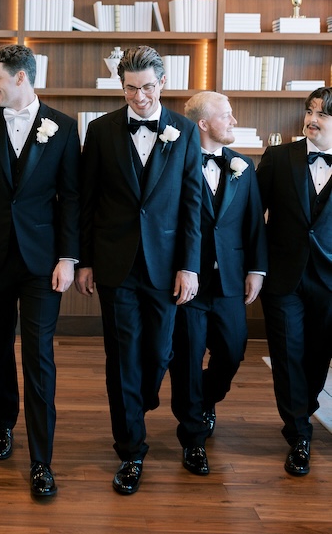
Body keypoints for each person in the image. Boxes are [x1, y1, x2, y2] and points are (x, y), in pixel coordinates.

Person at [75, 44, 201, 496]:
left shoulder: (185, 132)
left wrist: (189, 266)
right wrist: (86, 259)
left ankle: (143, 398)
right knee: (123, 355)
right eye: (130, 89)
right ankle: (130, 449)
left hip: (168, 266)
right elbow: (87, 202)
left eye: (147, 88)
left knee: (160, 353)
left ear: (162, 83)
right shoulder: (102, 129)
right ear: (121, 85)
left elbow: (192, 205)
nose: (140, 98)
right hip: (116, 264)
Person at [0, 44, 80, 498]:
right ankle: (3, 425)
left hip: (43, 262)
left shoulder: (63, 128)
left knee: (39, 356)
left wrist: (68, 258)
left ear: (21, 78)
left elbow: (71, 197)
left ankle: (41, 460)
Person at [169, 91, 267, 476]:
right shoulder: (174, 162)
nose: (233, 121)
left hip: (229, 279)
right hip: (188, 282)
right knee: (188, 361)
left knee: (233, 352)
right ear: (204, 123)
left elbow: (254, 222)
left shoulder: (242, 165)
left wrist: (256, 270)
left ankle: (205, 401)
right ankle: (192, 438)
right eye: (226, 116)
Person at [256, 86, 332, 477]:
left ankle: (306, 407)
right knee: (287, 356)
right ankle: (299, 434)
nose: (312, 119)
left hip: (330, 283)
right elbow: (253, 217)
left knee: (318, 357)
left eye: (321, 114)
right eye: (310, 110)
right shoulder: (279, 157)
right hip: (284, 278)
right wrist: (254, 267)